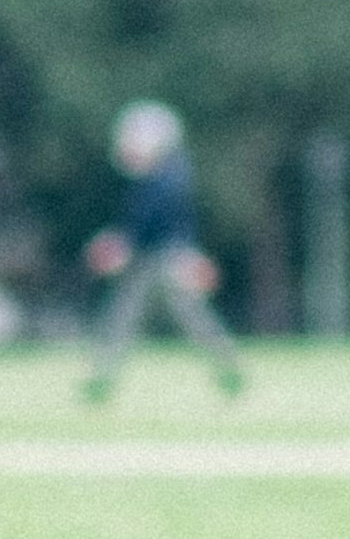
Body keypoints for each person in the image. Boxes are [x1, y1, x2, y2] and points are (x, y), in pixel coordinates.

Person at [80, 98, 246, 399]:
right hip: (156, 257)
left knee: (175, 317)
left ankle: (229, 370)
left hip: (165, 258)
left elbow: (152, 222)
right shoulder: (160, 174)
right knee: (128, 318)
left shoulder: (166, 177)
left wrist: (124, 244)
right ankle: (102, 378)